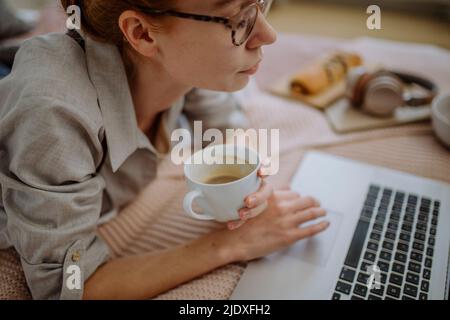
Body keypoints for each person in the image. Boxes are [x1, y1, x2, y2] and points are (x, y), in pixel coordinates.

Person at [0, 0, 329, 300]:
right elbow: (72, 285)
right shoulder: (53, 112)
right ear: (142, 33)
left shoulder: (185, 68)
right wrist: (232, 244)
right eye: (240, 19)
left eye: (261, 4)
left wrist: (245, 189)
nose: (268, 35)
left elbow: (227, 131)